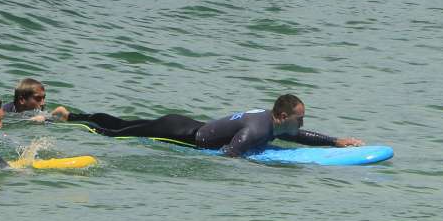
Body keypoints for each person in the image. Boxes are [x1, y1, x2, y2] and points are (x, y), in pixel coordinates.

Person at [66, 93, 365, 157]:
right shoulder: (259, 129)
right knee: (113, 134)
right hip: (179, 134)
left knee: (125, 124)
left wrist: (335, 141)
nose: (303, 121)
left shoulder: (269, 121)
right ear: (283, 116)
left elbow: (301, 137)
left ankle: (73, 114)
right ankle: (72, 122)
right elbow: (229, 153)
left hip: (186, 123)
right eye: (301, 116)